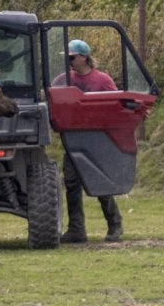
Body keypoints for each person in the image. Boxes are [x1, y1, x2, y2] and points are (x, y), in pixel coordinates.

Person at [51, 39, 123, 243]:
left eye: (71, 58)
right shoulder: (63, 79)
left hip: (97, 138)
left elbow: (116, 105)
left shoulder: (102, 80)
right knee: (72, 184)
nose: (69, 61)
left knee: (99, 182)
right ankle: (76, 230)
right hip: (73, 137)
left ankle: (115, 224)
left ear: (83, 57)